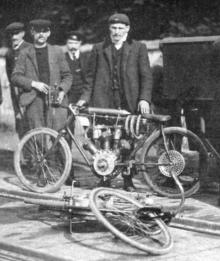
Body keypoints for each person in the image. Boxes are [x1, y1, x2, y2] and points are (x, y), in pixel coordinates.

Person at [78, 13, 152, 191]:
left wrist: (144, 98)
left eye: (120, 28)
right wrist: (84, 98)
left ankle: (128, 180)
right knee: (105, 140)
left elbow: (146, 77)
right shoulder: (98, 48)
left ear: (127, 29)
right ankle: (105, 178)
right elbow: (90, 78)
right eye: (114, 28)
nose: (117, 32)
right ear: (109, 29)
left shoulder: (138, 48)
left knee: (128, 143)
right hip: (104, 102)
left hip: (129, 102)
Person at [11, 19, 72, 131]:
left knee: (57, 138)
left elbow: (67, 76)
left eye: (44, 31)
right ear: (32, 32)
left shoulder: (57, 51)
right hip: (34, 101)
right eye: (38, 31)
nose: (41, 34)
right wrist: (33, 84)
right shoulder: (24, 53)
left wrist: (62, 91)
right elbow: (15, 77)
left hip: (55, 101)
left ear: (49, 33)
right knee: (37, 138)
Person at [5, 22, 32, 137]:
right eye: (11, 34)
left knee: (32, 124)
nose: (14, 37)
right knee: (20, 124)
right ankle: (25, 152)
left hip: (29, 92)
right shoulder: (9, 53)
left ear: (23, 33)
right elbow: (10, 75)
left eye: (16, 34)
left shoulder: (30, 49)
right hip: (16, 94)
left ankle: (37, 154)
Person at [65, 30, 90, 104]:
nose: (73, 46)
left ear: (80, 43)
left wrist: (85, 97)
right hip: (68, 97)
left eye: (76, 43)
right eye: (70, 43)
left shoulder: (87, 58)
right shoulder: (62, 58)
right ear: (66, 43)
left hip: (84, 97)